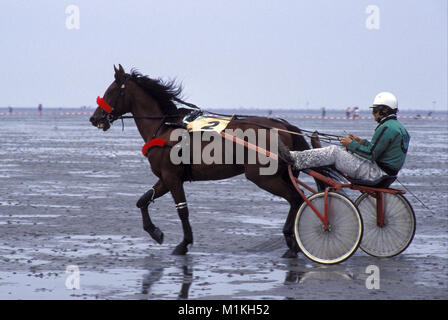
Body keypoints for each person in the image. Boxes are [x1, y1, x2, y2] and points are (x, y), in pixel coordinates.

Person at [290, 92, 410, 182]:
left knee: (334, 152)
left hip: (375, 173)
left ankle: (295, 159)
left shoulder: (386, 128)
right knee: (344, 152)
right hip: (385, 173)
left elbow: (371, 154)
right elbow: (380, 149)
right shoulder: (399, 128)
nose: (373, 114)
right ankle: (299, 158)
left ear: (384, 110)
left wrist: (350, 144)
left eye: (374, 111)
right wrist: (360, 141)